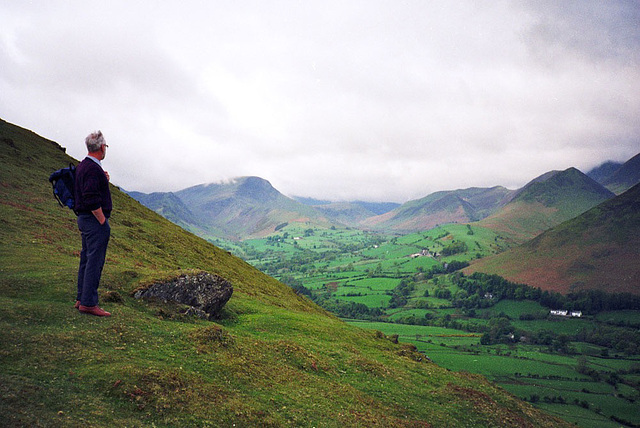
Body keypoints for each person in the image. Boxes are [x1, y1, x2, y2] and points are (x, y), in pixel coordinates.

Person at [74, 131, 112, 317]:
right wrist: (102, 220)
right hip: (93, 221)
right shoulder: (91, 168)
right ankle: (89, 303)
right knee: (94, 261)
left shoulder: (85, 166)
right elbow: (90, 198)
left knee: (87, 258)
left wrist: (102, 180)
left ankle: (82, 298)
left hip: (85, 219)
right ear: (102, 147)